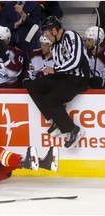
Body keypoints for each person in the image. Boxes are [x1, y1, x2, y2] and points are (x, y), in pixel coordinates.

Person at [26, 16, 90, 150]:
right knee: (33, 86)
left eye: (46, 33)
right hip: (63, 77)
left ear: (55, 31)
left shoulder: (72, 36)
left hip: (78, 79)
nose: (45, 36)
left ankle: (73, 129)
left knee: (51, 99)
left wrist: (55, 70)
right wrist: (54, 71)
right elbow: (59, 68)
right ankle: (55, 120)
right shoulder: (54, 46)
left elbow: (75, 61)